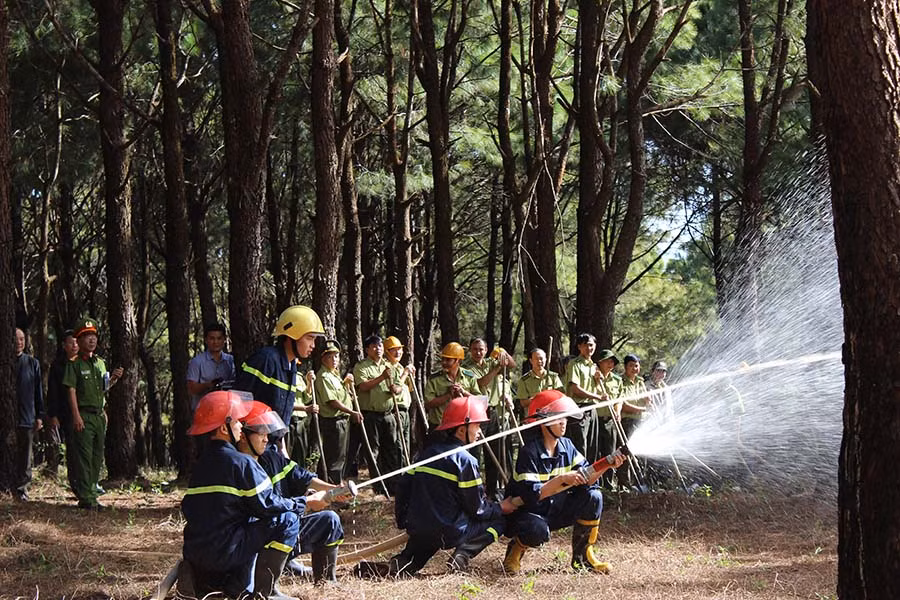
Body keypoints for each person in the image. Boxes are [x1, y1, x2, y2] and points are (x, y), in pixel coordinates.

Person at [360, 395, 518, 577]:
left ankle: (397, 566)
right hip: (450, 532)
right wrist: (500, 508)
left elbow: (403, 487)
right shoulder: (465, 461)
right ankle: (463, 554)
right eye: (477, 425)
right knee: (499, 522)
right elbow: (477, 509)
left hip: (419, 529)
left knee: (413, 559)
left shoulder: (425, 454)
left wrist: (404, 520)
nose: (480, 431)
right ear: (461, 429)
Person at [179, 391, 302, 599]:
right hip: (226, 552)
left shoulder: (200, 466)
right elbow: (268, 506)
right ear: (223, 428)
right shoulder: (241, 463)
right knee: (287, 520)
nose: (239, 426)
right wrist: (299, 504)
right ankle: (263, 593)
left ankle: (206, 584)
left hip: (196, 553)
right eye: (236, 421)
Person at [502, 390, 625, 575]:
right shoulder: (529, 452)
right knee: (537, 531)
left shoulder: (567, 445)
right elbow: (533, 495)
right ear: (543, 422)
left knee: (594, 496)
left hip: (555, 510)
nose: (563, 423)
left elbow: (587, 478)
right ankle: (516, 549)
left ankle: (583, 558)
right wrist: (562, 479)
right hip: (530, 514)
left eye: (565, 418)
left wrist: (607, 464)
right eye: (558, 418)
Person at [236, 403, 349, 584]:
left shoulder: (271, 458)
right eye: (261, 434)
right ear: (243, 436)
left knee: (330, 520)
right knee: (286, 521)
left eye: (267, 434)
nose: (266, 440)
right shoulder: (236, 467)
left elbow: (305, 478)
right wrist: (306, 502)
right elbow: (264, 507)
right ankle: (267, 588)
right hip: (256, 540)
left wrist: (334, 490)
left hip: (286, 529)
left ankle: (327, 583)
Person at [234, 305, 324, 456]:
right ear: (291, 336)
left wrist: (281, 448)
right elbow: (238, 401)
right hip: (251, 448)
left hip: (271, 446)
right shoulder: (266, 360)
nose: (313, 345)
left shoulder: (292, 365)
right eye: (309, 338)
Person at [62, 318, 124, 510]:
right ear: (78, 341)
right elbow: (71, 390)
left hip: (99, 416)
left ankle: (92, 492)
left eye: (93, 336)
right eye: (87, 337)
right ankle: (86, 498)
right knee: (84, 457)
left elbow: (103, 388)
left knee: (97, 457)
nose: (91, 340)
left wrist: (113, 379)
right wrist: (76, 416)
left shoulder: (100, 364)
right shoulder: (74, 364)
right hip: (84, 415)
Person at [461, 339, 516, 500]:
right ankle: (475, 490)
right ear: (470, 350)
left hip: (494, 413)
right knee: (476, 453)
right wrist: (498, 368)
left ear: (486, 350)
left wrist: (504, 354)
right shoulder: (467, 369)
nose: (478, 352)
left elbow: (511, 365)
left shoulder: (490, 362)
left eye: (481, 349)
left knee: (495, 452)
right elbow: (481, 382)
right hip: (478, 412)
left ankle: (492, 491)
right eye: (475, 349)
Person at [353, 334, 402, 491]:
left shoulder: (389, 366)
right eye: (374, 346)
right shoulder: (362, 366)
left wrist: (396, 389)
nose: (378, 349)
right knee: (373, 450)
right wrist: (381, 377)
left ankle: (393, 484)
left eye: (380, 346)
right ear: (367, 349)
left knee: (391, 449)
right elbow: (363, 387)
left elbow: (399, 385)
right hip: (371, 415)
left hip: (388, 414)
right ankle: (378, 486)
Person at [315, 340, 361, 484]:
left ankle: (335, 483)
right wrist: (351, 412)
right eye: (330, 356)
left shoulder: (334, 375)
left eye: (336, 356)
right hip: (333, 422)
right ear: (323, 359)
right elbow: (332, 402)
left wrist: (347, 384)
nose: (334, 360)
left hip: (342, 421)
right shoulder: (323, 377)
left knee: (340, 456)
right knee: (334, 457)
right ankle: (331, 488)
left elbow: (343, 396)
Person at [45, 330, 79, 490]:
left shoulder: (85, 362)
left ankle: (89, 482)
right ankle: (75, 482)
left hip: (84, 412)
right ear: (64, 345)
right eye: (71, 342)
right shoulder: (58, 365)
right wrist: (53, 415)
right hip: (65, 414)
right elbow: (53, 392)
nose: (75, 345)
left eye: (77, 342)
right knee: (70, 448)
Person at [564, 334, 605, 461]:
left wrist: (598, 382)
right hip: (579, 408)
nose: (589, 348)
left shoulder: (594, 366)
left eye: (591, 345)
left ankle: (590, 478)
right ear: (579, 347)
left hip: (592, 408)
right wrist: (598, 396)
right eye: (586, 345)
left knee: (593, 446)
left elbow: (597, 389)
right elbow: (575, 389)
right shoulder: (574, 364)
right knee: (580, 445)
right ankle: (579, 477)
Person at [14, 328, 44, 501]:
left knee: (26, 457)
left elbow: (38, 392)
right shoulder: (5, 362)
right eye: (16, 339)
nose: (19, 342)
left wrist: (40, 415)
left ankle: (22, 489)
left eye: (22, 339)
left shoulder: (33, 363)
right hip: (8, 418)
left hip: (27, 417)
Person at [424, 342, 480, 429]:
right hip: (440, 426)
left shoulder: (469, 376)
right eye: (443, 359)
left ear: (458, 360)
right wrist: (448, 395)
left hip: (462, 426)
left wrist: (464, 392)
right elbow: (428, 404)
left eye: (448, 360)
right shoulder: (434, 379)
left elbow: (478, 401)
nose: (444, 362)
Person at [186, 322, 235, 414]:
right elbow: (191, 389)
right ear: (206, 340)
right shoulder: (197, 362)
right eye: (212, 338)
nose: (215, 342)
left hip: (225, 412)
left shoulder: (231, 361)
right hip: (203, 412)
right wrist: (209, 385)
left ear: (224, 340)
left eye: (219, 338)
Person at [383, 336, 415, 463]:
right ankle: (398, 476)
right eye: (393, 350)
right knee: (398, 446)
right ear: (386, 352)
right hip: (396, 410)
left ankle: (405, 472)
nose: (398, 352)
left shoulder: (400, 367)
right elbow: (395, 389)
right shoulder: (387, 368)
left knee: (406, 445)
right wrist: (405, 374)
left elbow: (409, 389)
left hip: (405, 411)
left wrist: (410, 375)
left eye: (399, 349)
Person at [516, 347, 565, 414]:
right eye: (536, 359)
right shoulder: (524, 380)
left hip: (551, 415)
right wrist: (540, 399)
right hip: (534, 416)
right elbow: (523, 403)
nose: (539, 361)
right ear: (531, 361)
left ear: (546, 359)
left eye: (541, 358)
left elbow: (561, 396)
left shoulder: (553, 377)